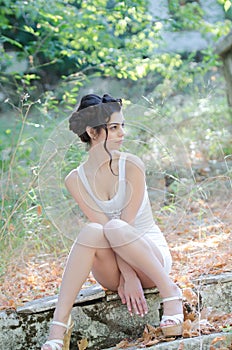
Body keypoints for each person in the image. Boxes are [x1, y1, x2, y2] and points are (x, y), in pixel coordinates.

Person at [41, 94, 183, 350]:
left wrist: (130, 273)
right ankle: (59, 325)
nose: (122, 133)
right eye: (114, 127)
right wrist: (125, 276)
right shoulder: (75, 179)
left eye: (122, 126)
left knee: (116, 227)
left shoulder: (132, 166)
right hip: (114, 269)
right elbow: (105, 231)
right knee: (92, 231)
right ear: (92, 132)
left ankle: (170, 292)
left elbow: (124, 229)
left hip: (148, 257)